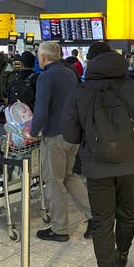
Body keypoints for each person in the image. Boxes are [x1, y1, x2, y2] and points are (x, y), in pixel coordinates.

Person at [63, 41, 134, 267]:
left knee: (102, 221)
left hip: (97, 167)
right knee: (127, 212)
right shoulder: (133, 88)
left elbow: (70, 135)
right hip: (129, 163)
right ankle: (122, 257)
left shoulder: (81, 92)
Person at [29, 41, 92, 242]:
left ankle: (59, 229)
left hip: (54, 136)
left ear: (43, 57)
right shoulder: (69, 73)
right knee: (69, 176)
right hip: (72, 135)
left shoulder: (45, 77)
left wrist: (32, 131)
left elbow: (41, 111)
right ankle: (94, 216)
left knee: (54, 182)